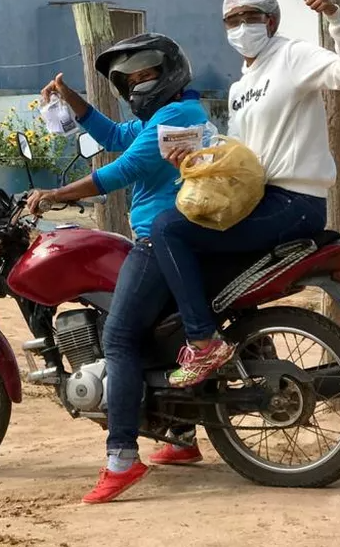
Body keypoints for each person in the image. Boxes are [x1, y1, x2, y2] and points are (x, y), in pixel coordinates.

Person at [151, 0, 340, 390]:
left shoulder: (291, 55)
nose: (241, 26)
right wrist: (195, 154)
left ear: (271, 20)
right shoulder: (240, 86)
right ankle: (218, 383)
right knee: (202, 268)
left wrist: (335, 18)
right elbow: (244, 153)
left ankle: (202, 342)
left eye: (250, 17)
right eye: (231, 20)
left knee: (166, 228)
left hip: (294, 201)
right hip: (258, 199)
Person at [25, 34, 209, 504]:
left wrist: (54, 195)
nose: (136, 85)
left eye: (145, 74)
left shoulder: (175, 118)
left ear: (168, 69)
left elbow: (119, 171)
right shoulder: (167, 116)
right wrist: (71, 99)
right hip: (174, 236)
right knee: (155, 337)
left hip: (159, 240)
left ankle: (122, 458)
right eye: (128, 80)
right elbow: (112, 136)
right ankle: (180, 436)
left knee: (120, 337)